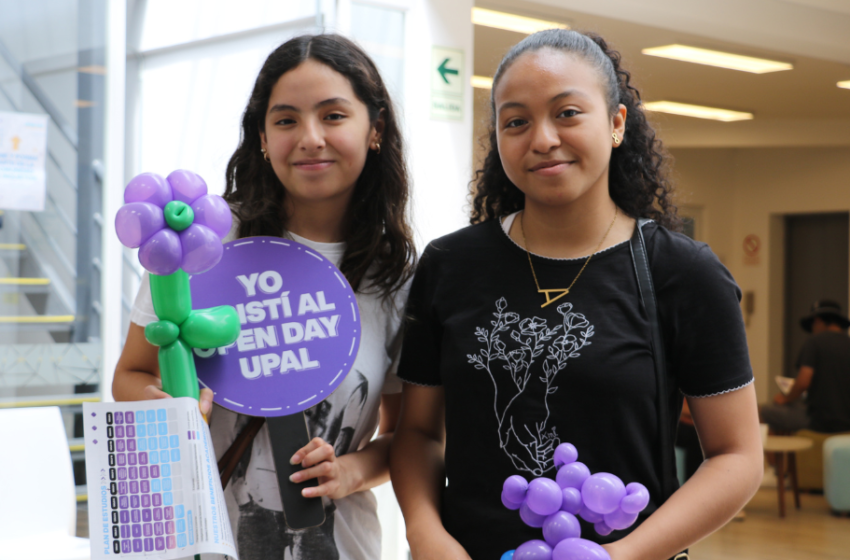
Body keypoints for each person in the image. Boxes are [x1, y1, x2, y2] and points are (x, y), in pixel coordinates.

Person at [390, 29, 763, 560]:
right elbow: (419, 433)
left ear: (615, 123)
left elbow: (738, 457)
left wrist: (620, 557)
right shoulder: (451, 265)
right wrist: (426, 538)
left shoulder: (682, 272)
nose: (542, 139)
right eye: (515, 121)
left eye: (567, 113)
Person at [113, 34, 415, 560]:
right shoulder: (205, 242)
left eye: (334, 116)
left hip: (337, 545)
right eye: (285, 120)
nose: (310, 138)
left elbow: (406, 438)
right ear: (261, 137)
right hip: (197, 540)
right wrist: (171, 411)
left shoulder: (396, 275)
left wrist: (347, 471)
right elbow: (131, 375)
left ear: (375, 130)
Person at [761, 300, 850, 434]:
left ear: (818, 321)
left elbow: (803, 382)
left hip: (819, 421)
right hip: (846, 423)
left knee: (764, 411)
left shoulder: (815, 342)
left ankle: (774, 455)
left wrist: (785, 398)